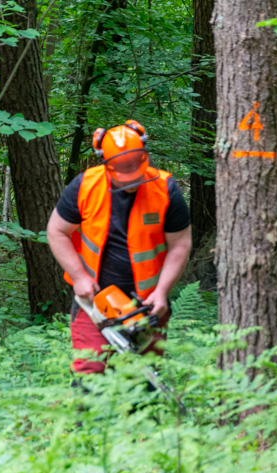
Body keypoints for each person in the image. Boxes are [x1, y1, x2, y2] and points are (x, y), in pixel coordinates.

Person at [47, 120, 192, 374]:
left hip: (148, 304)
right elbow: (56, 231)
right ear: (106, 163)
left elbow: (180, 245)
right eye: (123, 171)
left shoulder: (165, 190)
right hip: (95, 301)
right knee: (90, 371)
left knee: (145, 378)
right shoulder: (85, 187)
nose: (132, 178)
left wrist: (161, 292)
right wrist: (79, 277)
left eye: (136, 168)